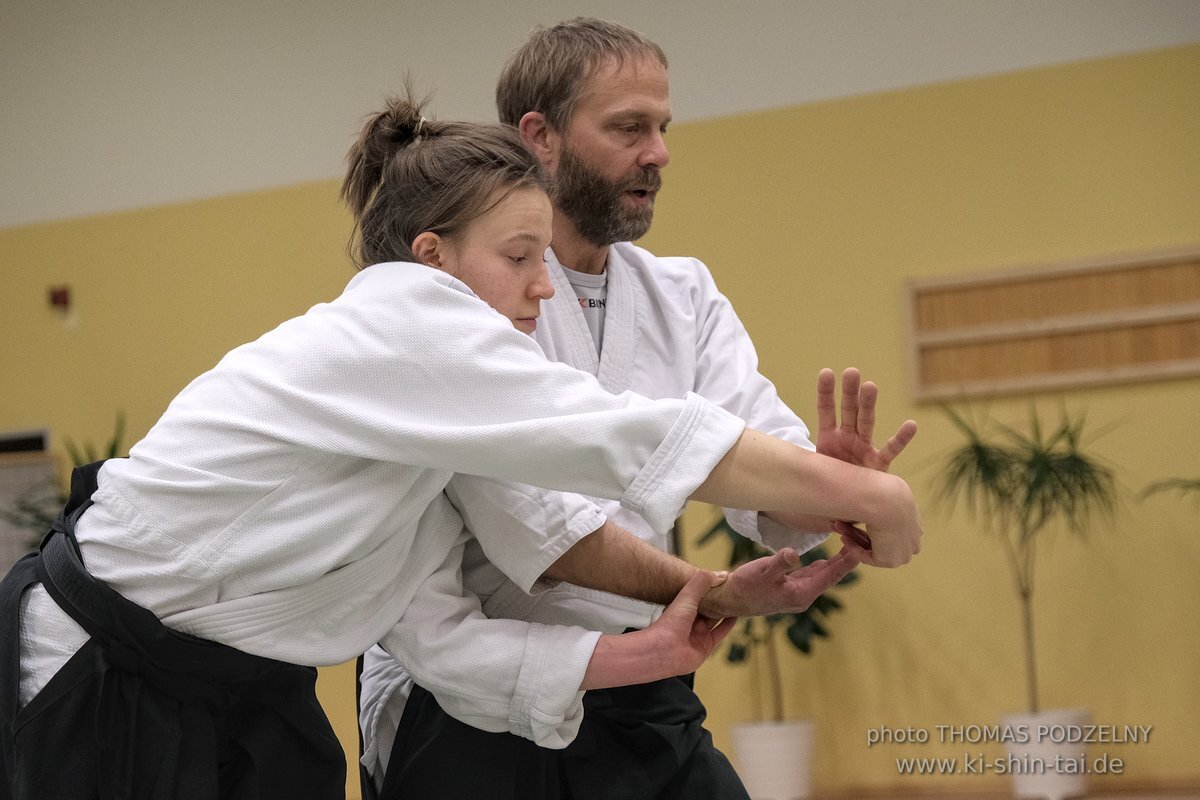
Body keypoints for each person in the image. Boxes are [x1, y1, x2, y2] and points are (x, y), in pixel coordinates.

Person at [0, 91, 920, 800]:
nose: (543, 289)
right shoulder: (407, 324)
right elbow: (615, 434)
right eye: (519, 259)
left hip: (238, 681)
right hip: (104, 662)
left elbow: (451, 613)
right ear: (433, 256)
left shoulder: (432, 421)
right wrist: (868, 497)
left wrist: (677, 625)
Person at [358, 18, 920, 800]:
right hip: (469, 692)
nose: (657, 153)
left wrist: (824, 486)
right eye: (628, 128)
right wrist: (715, 590)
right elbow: (544, 533)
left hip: (642, 666)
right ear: (539, 136)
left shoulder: (682, 295)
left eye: (662, 128)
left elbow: (758, 465)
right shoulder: (463, 289)